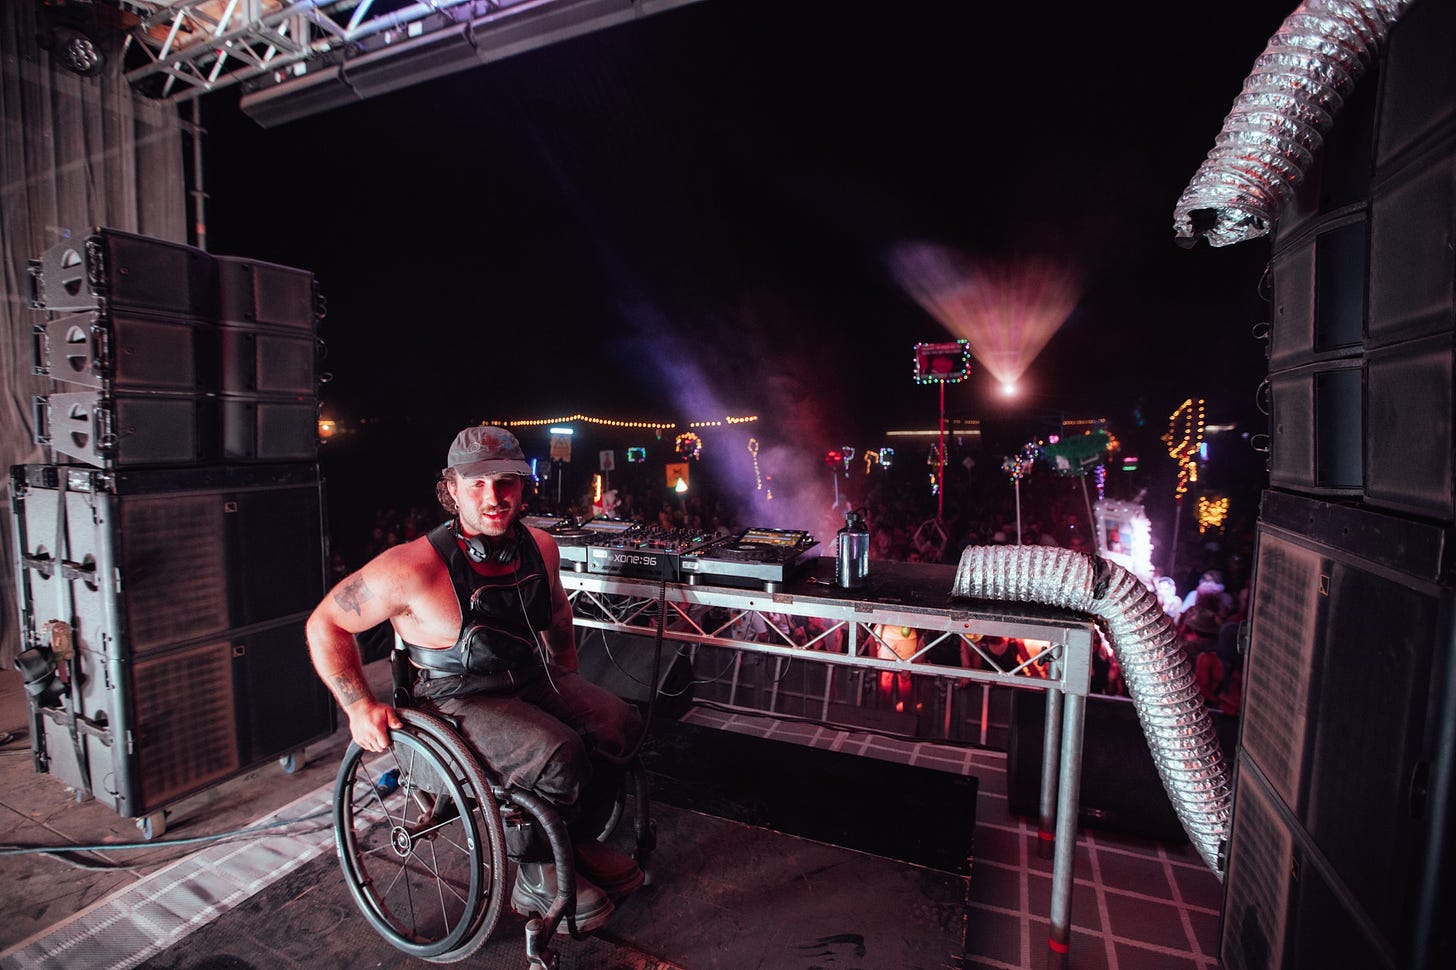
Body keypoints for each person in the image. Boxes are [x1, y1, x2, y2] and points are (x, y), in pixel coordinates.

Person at [306, 425, 644, 935]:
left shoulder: (542, 548)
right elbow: (325, 623)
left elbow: (557, 618)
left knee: (617, 723)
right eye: (477, 483)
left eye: (506, 481)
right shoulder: (411, 568)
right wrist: (358, 707)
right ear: (452, 488)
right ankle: (534, 875)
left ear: (523, 484)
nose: (494, 496)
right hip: (455, 699)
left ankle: (569, 842)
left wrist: (569, 685)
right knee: (557, 755)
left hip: (530, 679)